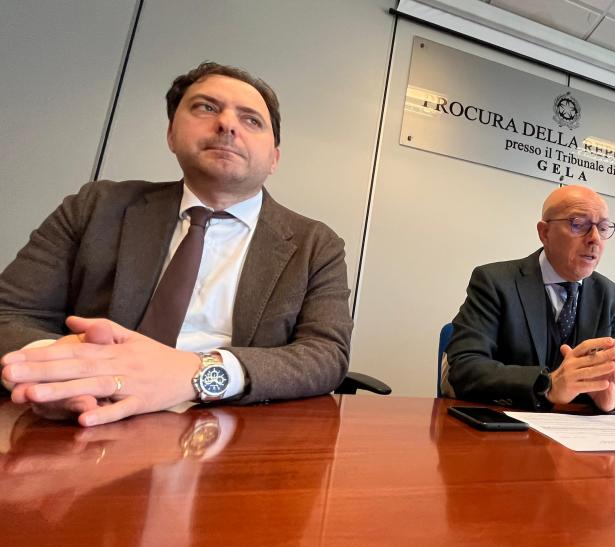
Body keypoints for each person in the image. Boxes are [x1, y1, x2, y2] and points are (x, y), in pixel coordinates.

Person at [0, 62, 352, 426]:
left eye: (251, 120)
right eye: (206, 107)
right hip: (88, 417)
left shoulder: (316, 244)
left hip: (234, 426)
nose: (227, 124)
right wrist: (61, 368)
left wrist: (200, 372)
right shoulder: (95, 207)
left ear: (274, 158)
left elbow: (326, 354)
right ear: (171, 134)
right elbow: (9, 312)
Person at [445, 185, 615, 412]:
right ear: (544, 232)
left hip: (580, 428)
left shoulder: (610, 295)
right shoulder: (495, 281)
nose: (594, 239)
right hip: (507, 423)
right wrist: (547, 385)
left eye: (602, 228)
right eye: (578, 224)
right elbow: (465, 366)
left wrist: (613, 396)